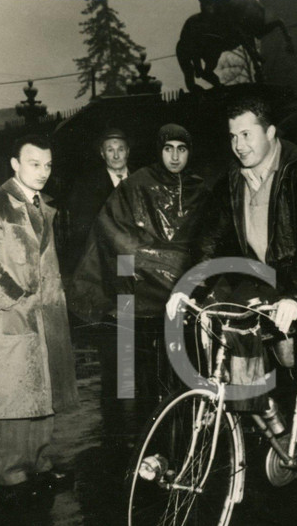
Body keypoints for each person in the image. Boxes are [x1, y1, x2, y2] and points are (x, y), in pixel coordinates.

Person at [186, 96, 297, 513]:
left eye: (246, 134)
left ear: (269, 133)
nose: (239, 144)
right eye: (232, 137)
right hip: (274, 283)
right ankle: (280, 428)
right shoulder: (234, 178)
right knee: (235, 341)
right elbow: (209, 234)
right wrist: (189, 287)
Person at [0, 134, 79, 508]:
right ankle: (12, 477)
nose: (42, 172)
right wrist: (15, 300)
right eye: (33, 164)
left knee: (42, 396)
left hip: (44, 318)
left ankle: (40, 465)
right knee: (14, 401)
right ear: (14, 164)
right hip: (11, 319)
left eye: (47, 164)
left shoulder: (41, 205)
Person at [69, 124, 212, 417]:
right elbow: (113, 234)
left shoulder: (199, 188)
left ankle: (176, 418)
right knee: (129, 362)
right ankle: (128, 426)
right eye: (168, 149)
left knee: (177, 359)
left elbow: (208, 236)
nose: (175, 156)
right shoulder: (137, 184)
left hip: (180, 289)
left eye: (182, 149)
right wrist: (160, 262)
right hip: (133, 285)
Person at [62, 128, 132, 278]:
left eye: (120, 149)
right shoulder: (87, 186)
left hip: (136, 258)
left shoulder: (141, 181)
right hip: (102, 260)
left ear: (128, 151)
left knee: (130, 296)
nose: (115, 155)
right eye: (110, 150)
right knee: (113, 298)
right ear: (102, 153)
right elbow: (81, 230)